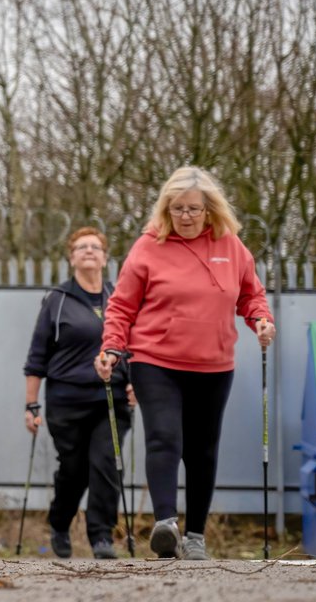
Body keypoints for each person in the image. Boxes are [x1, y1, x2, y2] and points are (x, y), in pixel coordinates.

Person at [96, 166, 275, 560]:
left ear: (209, 210)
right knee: (164, 437)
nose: (186, 217)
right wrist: (112, 346)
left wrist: (261, 320)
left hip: (214, 364)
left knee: (202, 450)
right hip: (155, 359)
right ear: (166, 209)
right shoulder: (148, 247)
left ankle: (195, 536)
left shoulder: (232, 247)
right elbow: (122, 306)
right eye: (177, 209)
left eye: (193, 209)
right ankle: (165, 525)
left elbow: (251, 296)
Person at [23, 227, 131, 560]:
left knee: (107, 463)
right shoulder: (57, 300)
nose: (88, 251)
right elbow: (37, 356)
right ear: (72, 257)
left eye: (95, 247)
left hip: (110, 399)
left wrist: (134, 382)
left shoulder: (119, 297)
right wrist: (31, 404)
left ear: (104, 256)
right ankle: (60, 522)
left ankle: (101, 536)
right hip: (66, 400)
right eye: (81, 247)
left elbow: (135, 346)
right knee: (74, 470)